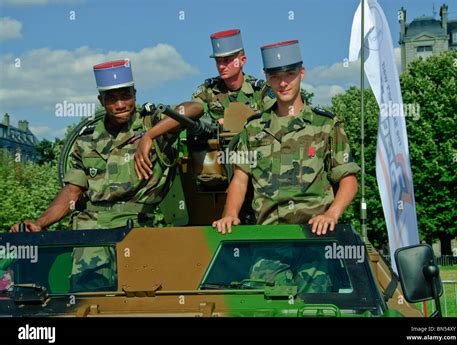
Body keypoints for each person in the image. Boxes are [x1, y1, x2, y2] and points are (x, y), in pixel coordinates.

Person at [10, 60, 178, 291]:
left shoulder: (154, 122)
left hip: (137, 226)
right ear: (101, 101)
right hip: (92, 232)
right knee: (87, 299)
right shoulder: (86, 140)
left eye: (125, 95)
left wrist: (149, 136)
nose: (120, 104)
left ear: (135, 94)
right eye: (111, 98)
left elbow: (190, 111)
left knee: (142, 299)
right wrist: (40, 224)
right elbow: (72, 191)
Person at [212, 40, 360, 292]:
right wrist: (230, 214)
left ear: (301, 73)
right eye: (275, 77)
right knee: (264, 307)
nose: (283, 83)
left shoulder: (325, 125)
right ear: (267, 79)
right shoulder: (254, 128)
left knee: (316, 308)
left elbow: (348, 179)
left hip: (315, 239)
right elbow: (240, 178)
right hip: (268, 240)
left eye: (289, 75)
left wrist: (332, 214)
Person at [133, 29, 275, 223]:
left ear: (242, 60)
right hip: (215, 178)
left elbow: (276, 124)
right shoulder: (208, 91)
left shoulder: (262, 92)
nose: (222, 66)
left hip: (258, 175)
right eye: (218, 61)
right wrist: (149, 135)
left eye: (227, 60)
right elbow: (188, 112)